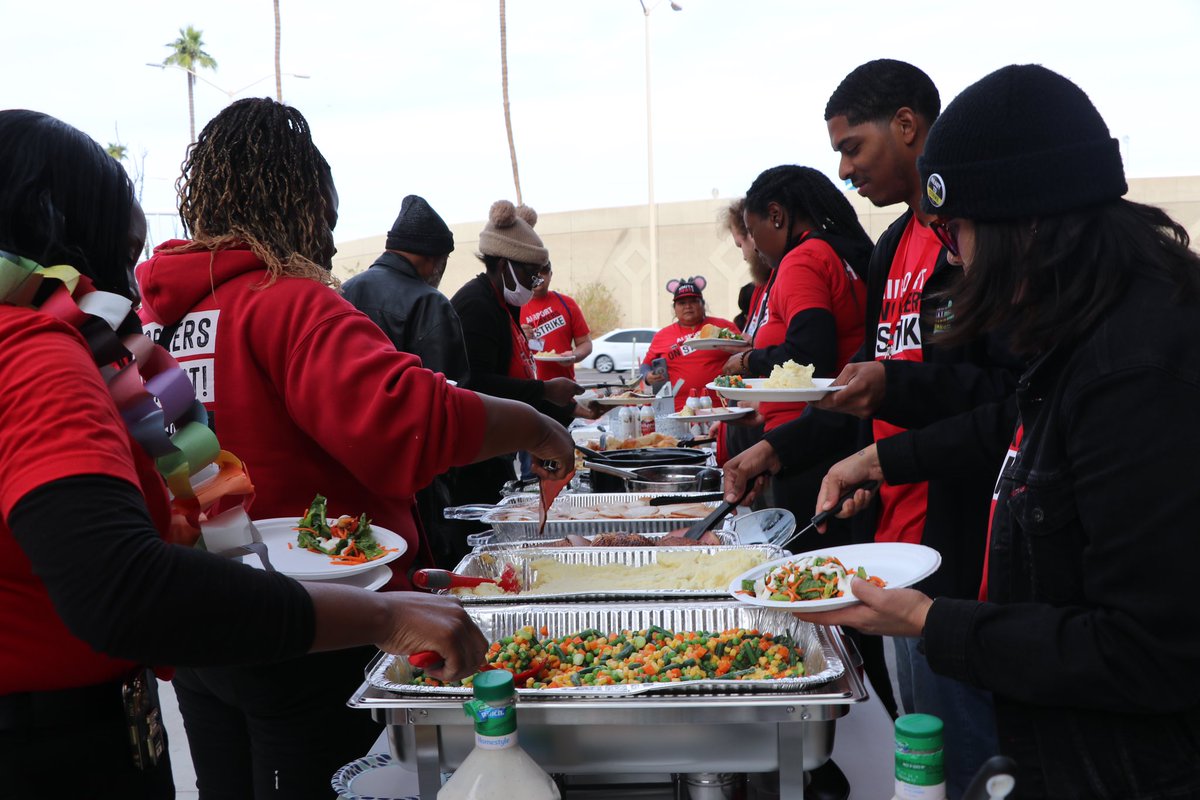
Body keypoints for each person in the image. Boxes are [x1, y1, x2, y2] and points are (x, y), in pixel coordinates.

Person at [0, 109, 487, 800]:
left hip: (214, 636)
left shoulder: (137, 324)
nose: (130, 280)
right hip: (64, 738)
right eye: (120, 243)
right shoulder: (37, 353)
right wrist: (385, 615)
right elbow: (121, 588)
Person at [137, 100, 572, 799]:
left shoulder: (162, 320)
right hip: (309, 634)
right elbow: (408, 421)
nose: (333, 239)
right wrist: (535, 425)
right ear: (299, 202)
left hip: (202, 627)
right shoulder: (287, 302)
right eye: (328, 215)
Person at [797, 64, 1200, 799]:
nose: (953, 256)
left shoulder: (1138, 367)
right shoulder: (1084, 332)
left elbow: (1146, 651)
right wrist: (882, 459)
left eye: (958, 231)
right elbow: (1015, 420)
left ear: (1026, 226)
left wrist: (934, 622)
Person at [724, 60, 1020, 798]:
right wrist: (786, 451)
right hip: (890, 535)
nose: (845, 170)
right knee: (915, 744)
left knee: (967, 754)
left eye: (852, 147)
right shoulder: (890, 247)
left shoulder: (973, 239)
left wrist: (890, 431)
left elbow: (1006, 401)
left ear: (908, 126)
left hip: (960, 546)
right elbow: (861, 390)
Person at [718, 165, 872, 540]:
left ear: (776, 215)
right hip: (827, 439)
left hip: (810, 451)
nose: (755, 246)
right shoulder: (835, 252)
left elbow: (808, 356)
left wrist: (747, 361)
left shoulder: (802, 260)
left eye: (752, 231)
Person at [449, 200, 592, 556]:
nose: (535, 283)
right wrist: (545, 390)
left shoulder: (505, 304)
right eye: (531, 275)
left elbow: (514, 378)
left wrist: (568, 408)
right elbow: (476, 384)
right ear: (504, 266)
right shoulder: (476, 305)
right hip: (472, 462)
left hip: (498, 450)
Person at [341, 194, 469, 567]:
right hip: (416, 488)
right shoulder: (430, 303)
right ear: (433, 259)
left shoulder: (344, 293)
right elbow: (450, 406)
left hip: (351, 473)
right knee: (422, 579)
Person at [642, 276, 740, 411]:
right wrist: (647, 376)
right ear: (674, 308)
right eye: (682, 303)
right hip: (680, 409)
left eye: (693, 301)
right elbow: (645, 365)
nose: (688, 306)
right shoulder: (662, 336)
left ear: (703, 304)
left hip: (723, 406)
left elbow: (745, 353)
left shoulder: (723, 326)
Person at [519, 263, 592, 381]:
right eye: (533, 270)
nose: (539, 274)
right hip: (529, 387)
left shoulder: (567, 303)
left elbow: (585, 343)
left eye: (544, 270)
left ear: (551, 275)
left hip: (564, 385)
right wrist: (519, 338)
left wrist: (574, 356)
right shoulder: (513, 307)